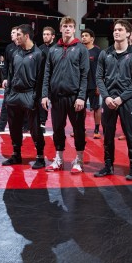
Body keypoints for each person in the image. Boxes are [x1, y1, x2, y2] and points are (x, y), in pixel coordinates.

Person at [94, 19, 132, 180]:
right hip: (108, 101)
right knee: (108, 135)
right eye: (115, 29)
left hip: (126, 101)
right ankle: (108, 166)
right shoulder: (105, 53)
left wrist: (121, 98)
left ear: (128, 33)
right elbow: (99, 78)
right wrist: (106, 97)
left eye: (120, 29)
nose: (116, 32)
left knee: (130, 135)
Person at [42, 17, 89, 172]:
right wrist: (44, 94)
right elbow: (47, 74)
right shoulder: (53, 49)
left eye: (70, 26)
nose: (67, 29)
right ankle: (59, 159)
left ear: (74, 29)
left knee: (78, 130)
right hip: (56, 97)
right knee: (57, 129)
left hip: (74, 97)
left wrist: (81, 96)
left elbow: (84, 75)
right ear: (60, 28)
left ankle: (79, 160)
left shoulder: (81, 48)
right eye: (64, 26)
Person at [2, 24, 46, 168]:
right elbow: (10, 74)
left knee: (34, 128)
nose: (16, 37)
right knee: (14, 127)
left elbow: (41, 79)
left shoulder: (39, 54)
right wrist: (8, 94)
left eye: (19, 35)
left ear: (27, 36)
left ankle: (40, 157)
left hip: (30, 94)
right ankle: (16, 155)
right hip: (14, 94)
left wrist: (36, 97)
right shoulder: (15, 53)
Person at [0, 27, 20, 132]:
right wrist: (4, 78)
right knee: (5, 104)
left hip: (22, 81)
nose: (12, 34)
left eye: (14, 32)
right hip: (10, 81)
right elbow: (5, 64)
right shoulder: (9, 47)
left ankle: (25, 125)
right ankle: (1, 126)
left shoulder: (25, 46)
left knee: (23, 105)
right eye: (11, 32)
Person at [81, 28, 102, 139]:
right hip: (81, 86)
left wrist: (99, 85)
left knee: (96, 108)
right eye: (82, 35)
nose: (83, 37)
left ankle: (97, 130)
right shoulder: (79, 50)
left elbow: (102, 70)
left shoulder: (98, 52)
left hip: (94, 85)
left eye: (86, 35)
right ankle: (81, 129)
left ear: (92, 38)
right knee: (80, 108)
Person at [39, 26, 56, 132]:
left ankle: (57, 123)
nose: (45, 36)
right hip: (42, 80)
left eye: (47, 34)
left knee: (56, 103)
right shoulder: (39, 48)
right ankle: (42, 123)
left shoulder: (57, 48)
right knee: (43, 102)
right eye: (44, 34)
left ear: (53, 36)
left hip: (55, 80)